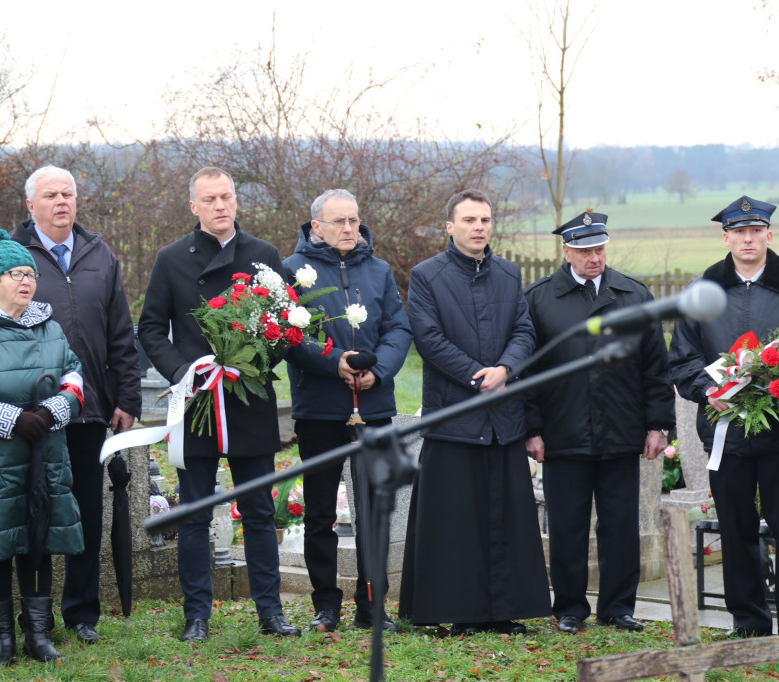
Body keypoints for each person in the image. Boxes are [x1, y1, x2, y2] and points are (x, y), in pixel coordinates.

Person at [138, 167, 301, 642]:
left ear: (236, 200)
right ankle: (197, 615)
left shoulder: (264, 255)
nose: (220, 206)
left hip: (249, 397)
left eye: (226, 197)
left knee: (258, 510)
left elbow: (286, 324)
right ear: (194, 206)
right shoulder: (171, 259)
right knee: (194, 511)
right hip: (197, 400)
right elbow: (151, 327)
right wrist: (184, 373)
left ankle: (270, 612)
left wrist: (255, 360)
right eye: (209, 199)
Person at [398, 189, 550, 635]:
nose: (478, 227)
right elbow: (427, 337)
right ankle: (461, 613)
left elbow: (524, 330)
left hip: (503, 419)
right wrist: (475, 376)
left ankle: (502, 612)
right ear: (450, 227)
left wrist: (505, 369)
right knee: (456, 522)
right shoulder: (427, 275)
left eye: (484, 219)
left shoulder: (508, 273)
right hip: (454, 418)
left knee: (505, 517)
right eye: (468, 220)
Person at [8, 165, 141, 643]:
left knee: (86, 510)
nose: (61, 202)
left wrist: (127, 397)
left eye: (68, 194)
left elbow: (120, 331)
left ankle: (82, 612)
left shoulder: (99, 254)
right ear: (31, 205)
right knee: (37, 509)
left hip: (89, 409)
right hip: (35, 411)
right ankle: (35, 613)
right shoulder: (11, 255)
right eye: (50, 195)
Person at [524, 212, 673, 634]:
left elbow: (655, 367)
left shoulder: (633, 295)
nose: (595, 257)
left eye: (600, 249)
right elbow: (527, 371)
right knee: (567, 526)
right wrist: (532, 429)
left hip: (621, 431)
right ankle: (569, 607)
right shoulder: (539, 299)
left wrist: (658, 424)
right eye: (586, 250)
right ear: (566, 251)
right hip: (563, 432)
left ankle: (618, 608)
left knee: (621, 526)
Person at [0, 228, 84, 665]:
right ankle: (1, 638)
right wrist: (12, 419)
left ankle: (38, 634)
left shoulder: (50, 327)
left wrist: (52, 411)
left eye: (31, 274)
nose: (27, 281)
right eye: (16, 274)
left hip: (45, 452)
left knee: (39, 536)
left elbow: (74, 376)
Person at [283, 189, 412, 632]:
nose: (349, 228)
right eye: (338, 221)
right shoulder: (292, 271)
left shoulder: (379, 270)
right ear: (316, 227)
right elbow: (288, 336)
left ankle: (371, 604)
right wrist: (333, 361)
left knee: (374, 509)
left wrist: (380, 371)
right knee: (320, 511)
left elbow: (398, 328)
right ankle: (326, 605)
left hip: (372, 407)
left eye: (354, 220)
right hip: (320, 409)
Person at [668, 195, 779, 638]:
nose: (748, 239)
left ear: (769, 234)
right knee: (735, 528)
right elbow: (682, 359)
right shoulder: (702, 292)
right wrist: (707, 390)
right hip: (725, 434)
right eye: (739, 232)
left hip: (778, 432)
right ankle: (749, 622)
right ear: (725, 237)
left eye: (756, 231)